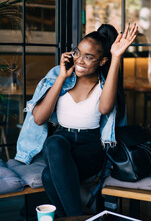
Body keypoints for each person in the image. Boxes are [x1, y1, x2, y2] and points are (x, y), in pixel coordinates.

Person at [15, 23, 137, 217]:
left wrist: (116, 57)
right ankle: (80, 217)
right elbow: (38, 119)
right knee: (54, 143)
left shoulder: (104, 84)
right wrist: (62, 77)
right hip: (61, 142)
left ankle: (74, 217)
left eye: (89, 57)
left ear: (102, 61)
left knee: (48, 176)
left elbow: (105, 108)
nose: (80, 60)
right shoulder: (58, 74)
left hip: (91, 148)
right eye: (77, 52)